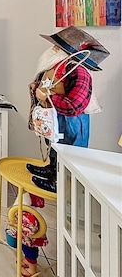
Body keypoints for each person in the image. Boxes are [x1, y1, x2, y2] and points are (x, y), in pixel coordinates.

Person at [26, 26, 110, 193]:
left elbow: (75, 106)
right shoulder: (56, 67)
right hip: (53, 118)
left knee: (69, 151)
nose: (53, 49)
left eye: (57, 47)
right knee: (54, 145)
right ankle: (51, 170)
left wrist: (48, 97)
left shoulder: (79, 71)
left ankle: (60, 182)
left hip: (71, 122)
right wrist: (36, 88)